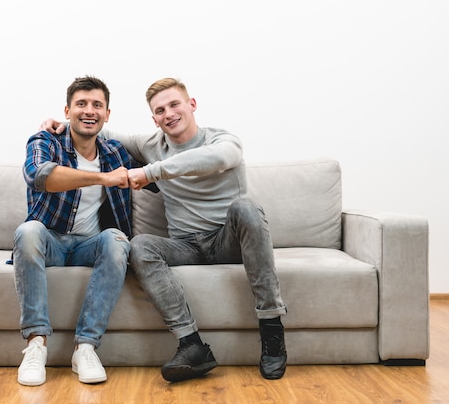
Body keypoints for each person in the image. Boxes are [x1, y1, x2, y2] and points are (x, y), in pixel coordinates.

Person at [40, 77, 288, 383]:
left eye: (174, 105)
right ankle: (192, 344)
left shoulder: (222, 140)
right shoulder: (151, 145)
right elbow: (101, 129)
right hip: (186, 246)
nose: (168, 114)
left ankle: (272, 328)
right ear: (154, 119)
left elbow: (218, 159)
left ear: (191, 105)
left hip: (228, 241)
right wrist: (61, 125)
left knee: (247, 208)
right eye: (160, 110)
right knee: (141, 244)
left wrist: (150, 171)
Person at [13, 75, 132, 387]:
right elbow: (43, 177)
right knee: (28, 232)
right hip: (50, 241)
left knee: (118, 240)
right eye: (81, 104)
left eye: (97, 105)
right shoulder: (45, 141)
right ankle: (36, 347)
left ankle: (86, 347)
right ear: (67, 111)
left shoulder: (115, 152)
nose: (88, 110)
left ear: (108, 114)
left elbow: (156, 157)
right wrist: (103, 179)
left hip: (88, 246)